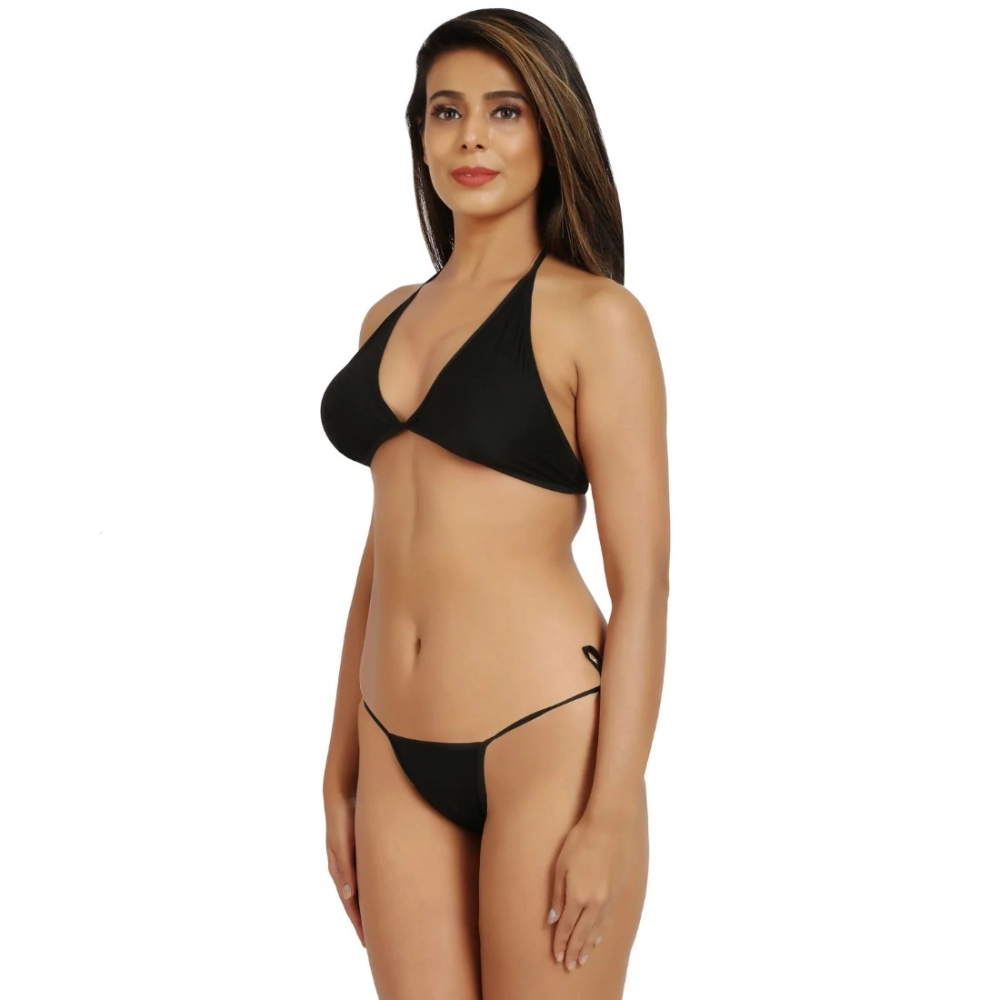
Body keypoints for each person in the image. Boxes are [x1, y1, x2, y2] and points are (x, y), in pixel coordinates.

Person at [319, 9, 669, 998]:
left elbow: (644, 585)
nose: (471, 137)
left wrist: (610, 810)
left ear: (551, 131)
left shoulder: (597, 318)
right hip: (391, 743)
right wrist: (338, 766)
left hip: (545, 739)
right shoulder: (387, 317)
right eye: (447, 112)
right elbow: (386, 550)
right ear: (421, 133)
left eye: (504, 111)